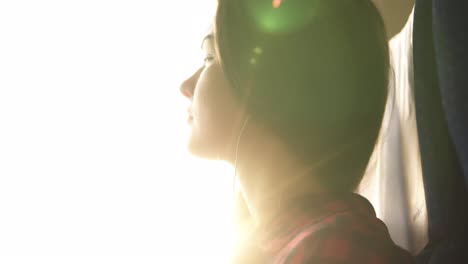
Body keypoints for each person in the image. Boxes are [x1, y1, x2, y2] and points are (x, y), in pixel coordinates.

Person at [179, 0, 414, 263]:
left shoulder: (334, 248)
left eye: (210, 57)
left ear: (271, 85)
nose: (185, 86)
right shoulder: (281, 245)